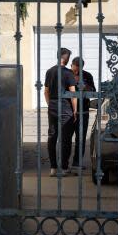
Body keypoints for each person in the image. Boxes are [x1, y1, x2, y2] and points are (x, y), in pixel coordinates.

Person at [44, 47, 77, 176]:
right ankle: (63, 167)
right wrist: (75, 110)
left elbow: (46, 91)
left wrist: (50, 104)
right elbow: (72, 93)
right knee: (65, 139)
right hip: (65, 108)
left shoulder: (49, 71)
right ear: (67, 58)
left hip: (52, 107)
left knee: (52, 137)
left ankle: (53, 168)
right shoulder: (68, 73)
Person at [70, 57, 96, 171]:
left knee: (80, 139)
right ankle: (64, 164)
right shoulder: (66, 74)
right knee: (65, 139)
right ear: (71, 65)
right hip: (69, 111)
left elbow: (93, 92)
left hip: (83, 111)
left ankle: (77, 163)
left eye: (78, 70)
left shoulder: (87, 76)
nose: (76, 72)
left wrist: (85, 87)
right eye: (74, 70)